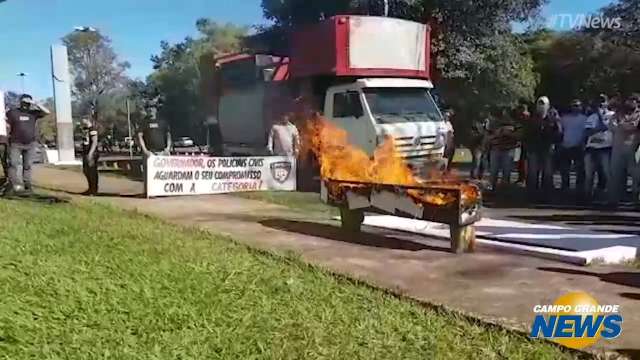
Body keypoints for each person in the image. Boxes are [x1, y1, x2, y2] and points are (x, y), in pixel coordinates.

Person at [5, 94, 49, 195]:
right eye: (24, 102)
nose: (26, 105)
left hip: (30, 144)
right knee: (13, 164)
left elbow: (47, 112)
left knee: (28, 165)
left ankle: (27, 186)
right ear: (20, 102)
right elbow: (4, 120)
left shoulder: (33, 113)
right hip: (15, 143)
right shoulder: (13, 112)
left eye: (27, 103)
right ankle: (13, 185)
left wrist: (36, 103)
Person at [524, 96, 563, 200]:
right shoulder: (533, 118)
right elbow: (527, 133)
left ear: (547, 105)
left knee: (548, 172)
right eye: (539, 104)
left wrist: (554, 143)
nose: (541, 106)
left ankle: (547, 194)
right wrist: (528, 147)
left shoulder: (553, 117)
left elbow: (559, 132)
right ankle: (531, 194)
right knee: (533, 172)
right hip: (534, 148)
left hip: (547, 148)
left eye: (543, 104)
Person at [608, 94, 640, 207]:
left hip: (633, 150)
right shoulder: (618, 114)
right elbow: (612, 126)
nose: (630, 102)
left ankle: (636, 199)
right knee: (615, 175)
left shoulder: (638, 115)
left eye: (633, 101)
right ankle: (613, 200)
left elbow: (633, 127)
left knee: (636, 176)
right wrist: (624, 126)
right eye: (629, 100)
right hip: (617, 149)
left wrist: (623, 126)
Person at [137, 96, 171, 195]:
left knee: (163, 173)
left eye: (153, 108)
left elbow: (168, 135)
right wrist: (144, 150)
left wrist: (167, 148)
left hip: (162, 152)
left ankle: (163, 191)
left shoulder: (163, 122)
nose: (151, 110)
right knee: (148, 174)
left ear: (156, 110)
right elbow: (139, 136)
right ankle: (148, 192)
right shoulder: (143, 122)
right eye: (149, 108)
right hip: (149, 152)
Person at [583, 94, 614, 202]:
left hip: (606, 148)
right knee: (589, 174)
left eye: (603, 101)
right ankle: (587, 197)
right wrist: (598, 129)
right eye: (599, 101)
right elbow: (587, 131)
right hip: (591, 148)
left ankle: (610, 197)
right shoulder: (591, 117)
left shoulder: (612, 115)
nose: (601, 103)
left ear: (607, 102)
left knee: (607, 173)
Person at [487, 107, 522, 191]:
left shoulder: (514, 123)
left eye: (506, 112)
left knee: (507, 171)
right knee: (493, 170)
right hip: (495, 149)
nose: (504, 113)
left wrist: (509, 134)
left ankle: (505, 189)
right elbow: (488, 136)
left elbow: (519, 136)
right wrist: (497, 134)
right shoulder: (494, 123)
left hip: (508, 150)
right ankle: (492, 188)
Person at [558, 99, 588, 193]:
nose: (575, 107)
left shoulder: (585, 118)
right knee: (564, 169)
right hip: (565, 146)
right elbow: (560, 131)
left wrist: (583, 143)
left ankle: (579, 189)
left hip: (578, 146)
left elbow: (586, 132)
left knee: (579, 169)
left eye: (577, 105)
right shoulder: (564, 118)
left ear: (581, 107)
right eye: (574, 106)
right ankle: (565, 187)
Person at [514, 103, 531, 184]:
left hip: (527, 142)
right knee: (521, 161)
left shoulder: (526, 117)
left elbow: (524, 131)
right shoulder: (523, 117)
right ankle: (522, 178)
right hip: (523, 142)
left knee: (524, 161)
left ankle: (523, 179)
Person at [469, 114, 489, 180]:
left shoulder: (489, 126)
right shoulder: (475, 125)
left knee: (483, 162)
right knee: (476, 161)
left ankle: (481, 175)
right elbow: (473, 135)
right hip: (477, 146)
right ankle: (473, 175)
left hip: (485, 146)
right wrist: (481, 134)